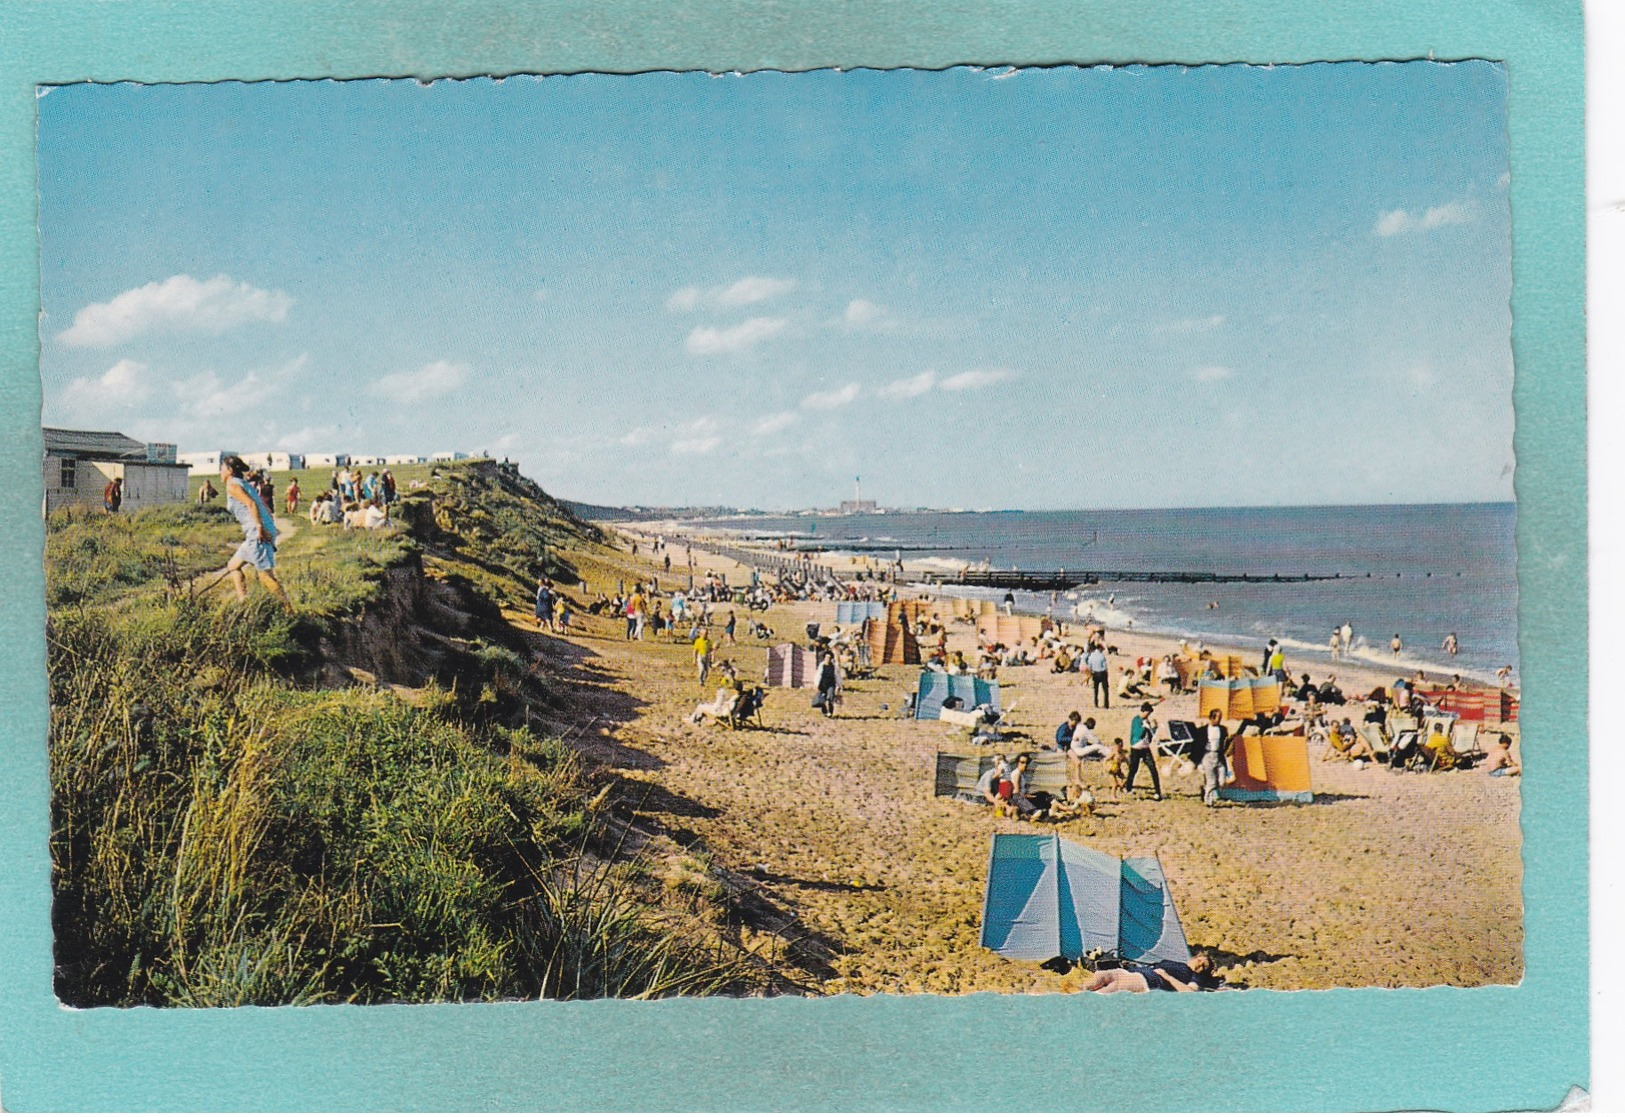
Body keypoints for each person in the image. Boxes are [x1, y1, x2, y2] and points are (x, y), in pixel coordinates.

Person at [217, 455, 290, 606]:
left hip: (256, 533)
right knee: (233, 566)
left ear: (229, 470)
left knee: (265, 575)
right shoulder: (244, 483)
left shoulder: (232, 485)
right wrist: (269, 526)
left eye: (222, 468)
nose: (220, 472)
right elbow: (266, 508)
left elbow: (251, 504)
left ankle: (288, 609)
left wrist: (260, 528)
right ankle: (244, 602)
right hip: (257, 531)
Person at [1082, 952, 1218, 994]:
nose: (1200, 963)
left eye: (1204, 965)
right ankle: (1079, 990)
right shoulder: (1180, 964)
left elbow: (1190, 992)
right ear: (1194, 957)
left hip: (1148, 979)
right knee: (1101, 976)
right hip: (1134, 971)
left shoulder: (1194, 976)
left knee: (1108, 990)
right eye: (1200, 959)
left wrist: (1166, 976)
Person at [1124, 702, 1162, 800]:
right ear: (1144, 711)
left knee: (1153, 768)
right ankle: (1128, 788)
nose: (1148, 715)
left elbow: (1150, 735)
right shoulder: (1136, 720)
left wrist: (1154, 728)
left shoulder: (1146, 721)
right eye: (1147, 713)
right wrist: (1144, 727)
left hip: (1145, 748)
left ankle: (1158, 791)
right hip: (1136, 748)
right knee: (1133, 769)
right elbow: (1138, 734)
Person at [1197, 708, 1230, 807]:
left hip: (1219, 756)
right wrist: (1198, 762)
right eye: (1217, 718)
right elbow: (1196, 746)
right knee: (1211, 781)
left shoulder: (1223, 729)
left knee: (1222, 781)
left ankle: (1205, 789)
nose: (1219, 720)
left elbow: (1225, 743)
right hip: (1208, 755)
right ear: (1211, 718)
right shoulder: (1202, 731)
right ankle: (1208, 800)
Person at [813, 650, 840, 717]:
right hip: (822, 685)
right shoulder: (821, 666)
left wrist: (839, 685)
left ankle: (830, 712)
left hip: (831, 685)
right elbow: (818, 675)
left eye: (829, 658)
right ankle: (825, 712)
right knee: (822, 700)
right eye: (826, 657)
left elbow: (837, 676)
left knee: (830, 698)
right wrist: (816, 685)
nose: (827, 659)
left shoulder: (834, 667)